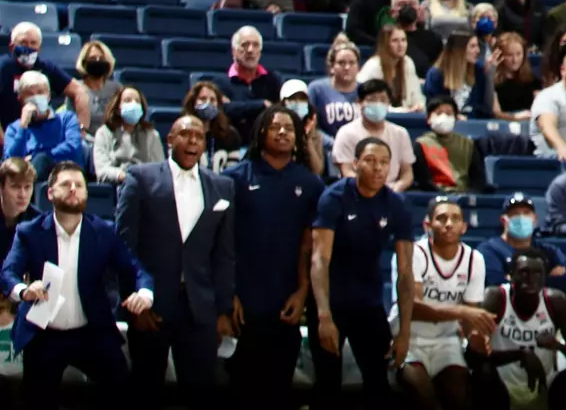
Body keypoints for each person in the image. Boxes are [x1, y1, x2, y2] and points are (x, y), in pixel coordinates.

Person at [2, 161, 155, 405]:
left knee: (124, 391)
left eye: (79, 185)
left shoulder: (104, 232)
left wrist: (145, 293)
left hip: (91, 331)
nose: (74, 189)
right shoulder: (29, 231)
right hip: (45, 335)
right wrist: (23, 290)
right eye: (66, 184)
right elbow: (9, 272)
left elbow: (135, 269)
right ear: (50, 193)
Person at [114, 114, 236, 410]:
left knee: (200, 392)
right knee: (145, 391)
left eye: (198, 136)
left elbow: (224, 255)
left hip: (200, 309)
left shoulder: (223, 187)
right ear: (170, 139)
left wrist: (223, 311)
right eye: (185, 134)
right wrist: (134, 302)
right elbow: (123, 245)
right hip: (152, 306)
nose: (193, 140)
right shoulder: (141, 178)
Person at [225, 104, 325, 410]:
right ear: (260, 134)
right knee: (242, 388)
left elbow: (310, 246)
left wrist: (302, 290)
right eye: (275, 127)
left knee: (278, 389)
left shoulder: (310, 184)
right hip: (243, 300)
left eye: (289, 128)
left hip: (286, 302)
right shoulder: (234, 178)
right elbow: (222, 241)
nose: (282, 132)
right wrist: (229, 294)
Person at [311, 137, 417, 410]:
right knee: (327, 386)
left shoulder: (397, 204)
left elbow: (405, 272)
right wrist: (323, 315)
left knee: (378, 385)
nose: (378, 168)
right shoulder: (334, 197)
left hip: (368, 302)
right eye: (370, 161)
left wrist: (405, 331)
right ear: (356, 164)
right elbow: (320, 259)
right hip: (330, 302)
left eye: (384, 162)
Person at [475, 251, 566, 407]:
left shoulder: (556, 301)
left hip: (544, 384)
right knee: (483, 371)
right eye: (524, 272)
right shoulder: (496, 297)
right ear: (511, 275)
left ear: (545, 277)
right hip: (500, 385)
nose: (530, 279)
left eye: (537, 273)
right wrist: (520, 355)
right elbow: (473, 355)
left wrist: (557, 345)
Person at [402, 196, 492, 410]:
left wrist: (476, 336)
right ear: (428, 224)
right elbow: (412, 307)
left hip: (446, 341)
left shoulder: (474, 259)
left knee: (459, 397)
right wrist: (462, 312)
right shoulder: (414, 253)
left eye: (455, 218)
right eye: (441, 218)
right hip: (409, 338)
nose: (449, 224)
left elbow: (471, 315)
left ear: (464, 226)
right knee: (424, 398)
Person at [332, 80, 416, 192]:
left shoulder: (400, 133)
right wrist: (370, 189)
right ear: (359, 102)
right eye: (372, 100)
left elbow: (407, 172)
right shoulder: (346, 133)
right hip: (356, 192)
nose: (378, 103)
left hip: (391, 191)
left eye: (382, 100)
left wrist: (397, 187)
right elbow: (346, 171)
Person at [473, 191, 566, 288]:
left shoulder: (549, 252)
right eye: (514, 214)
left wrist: (515, 281)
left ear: (535, 219)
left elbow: (565, 283)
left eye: (526, 213)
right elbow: (496, 287)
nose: (521, 218)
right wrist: (546, 279)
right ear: (503, 220)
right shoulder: (488, 250)